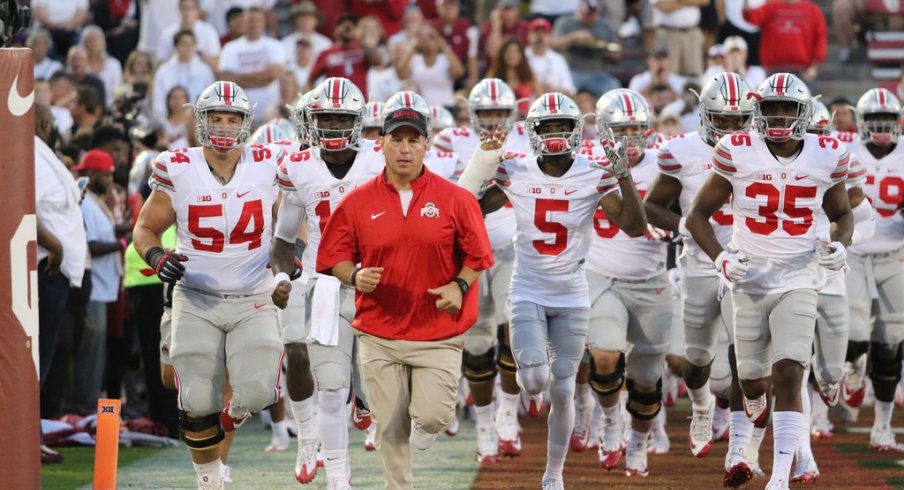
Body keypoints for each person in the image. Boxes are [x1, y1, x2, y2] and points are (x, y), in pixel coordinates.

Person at [458, 92, 646, 489]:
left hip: (573, 293)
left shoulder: (594, 173)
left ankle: (553, 476)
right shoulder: (517, 171)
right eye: (548, 126)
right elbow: (465, 207)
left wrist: (624, 176)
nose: (556, 133)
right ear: (533, 132)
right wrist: (483, 164)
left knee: (562, 388)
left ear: (577, 132)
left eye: (563, 126)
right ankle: (528, 399)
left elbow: (634, 226)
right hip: (527, 287)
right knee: (535, 382)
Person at [315, 91, 495, 490]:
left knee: (432, 417)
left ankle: (427, 422)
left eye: (414, 140)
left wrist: (460, 284)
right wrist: (354, 277)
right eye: (397, 139)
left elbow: (479, 255)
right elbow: (334, 256)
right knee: (390, 427)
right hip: (379, 331)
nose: (404, 148)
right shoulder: (358, 201)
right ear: (381, 143)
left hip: (438, 331)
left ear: (427, 145)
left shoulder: (457, 199)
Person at [686, 73, 853, 489]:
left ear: (803, 113)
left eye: (787, 109)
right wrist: (721, 258)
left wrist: (841, 244)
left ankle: (780, 476)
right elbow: (695, 216)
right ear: (756, 112)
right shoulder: (736, 150)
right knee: (752, 380)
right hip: (748, 279)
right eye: (770, 108)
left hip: (799, 276)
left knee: (791, 373)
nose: (778, 117)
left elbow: (843, 214)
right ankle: (755, 403)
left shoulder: (826, 153)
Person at [133, 81, 285, 490]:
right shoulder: (178, 166)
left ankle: (233, 415)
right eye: (215, 117)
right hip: (195, 295)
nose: (222, 126)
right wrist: (157, 257)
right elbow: (146, 228)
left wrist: (292, 252)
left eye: (231, 118)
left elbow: (292, 219)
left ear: (245, 122)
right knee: (194, 399)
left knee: (258, 392)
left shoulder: (269, 163)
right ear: (200, 121)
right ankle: (209, 479)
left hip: (254, 294)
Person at [644, 72, 759, 486]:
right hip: (698, 265)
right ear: (705, 116)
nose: (730, 128)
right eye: (722, 120)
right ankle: (702, 407)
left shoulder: (765, 149)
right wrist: (687, 226)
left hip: (748, 267)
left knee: (745, 357)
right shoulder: (682, 151)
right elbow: (653, 207)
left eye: (738, 120)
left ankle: (738, 448)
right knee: (695, 361)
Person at [271, 77, 380, 488]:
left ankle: (365, 404)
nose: (333, 127)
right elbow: (283, 239)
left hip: (376, 286)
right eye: (326, 119)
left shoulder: (380, 158)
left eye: (341, 119)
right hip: (324, 286)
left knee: (374, 387)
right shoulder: (297, 166)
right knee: (332, 387)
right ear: (312, 121)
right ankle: (337, 476)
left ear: (357, 120)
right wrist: (283, 275)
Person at [432, 79, 529, 461]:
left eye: (498, 113)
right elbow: (444, 196)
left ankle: (508, 414)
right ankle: (485, 424)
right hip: (467, 257)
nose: (491, 120)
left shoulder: (525, 137)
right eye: (485, 113)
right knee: (475, 345)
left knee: (513, 332)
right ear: (472, 114)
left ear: (511, 114)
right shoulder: (450, 141)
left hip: (510, 248)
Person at [582, 89, 671, 477]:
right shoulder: (584, 161)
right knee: (604, 355)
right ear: (603, 131)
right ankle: (609, 418)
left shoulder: (667, 162)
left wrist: (676, 228)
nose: (631, 139)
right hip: (600, 275)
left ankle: (638, 441)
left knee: (647, 378)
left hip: (651, 279)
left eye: (637, 129)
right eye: (622, 130)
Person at [840, 88, 904, 453]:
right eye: (874, 123)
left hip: (895, 253)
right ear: (860, 124)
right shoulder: (844, 148)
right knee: (853, 327)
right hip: (855, 250)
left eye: (888, 123)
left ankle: (882, 426)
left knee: (891, 339)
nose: (881, 130)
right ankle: (851, 363)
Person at [34, 102, 88, 409]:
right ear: (45, 125)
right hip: (47, 266)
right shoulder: (33, 155)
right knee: (40, 355)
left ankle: (34, 432)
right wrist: (54, 245)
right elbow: (23, 206)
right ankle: (29, 436)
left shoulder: (42, 154)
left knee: (49, 354)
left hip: (56, 269)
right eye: (53, 122)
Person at [72, 150, 125, 412]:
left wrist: (126, 230)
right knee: (90, 350)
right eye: (106, 174)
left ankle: (90, 402)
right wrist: (122, 243)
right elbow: (90, 245)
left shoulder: (96, 200)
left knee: (99, 350)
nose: (110, 179)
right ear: (92, 174)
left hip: (104, 286)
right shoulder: (85, 203)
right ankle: (84, 405)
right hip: (92, 285)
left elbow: (106, 233)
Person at [218, 7, 287, 124]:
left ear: (264, 22)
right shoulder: (230, 48)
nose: (254, 24)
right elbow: (226, 78)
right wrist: (263, 78)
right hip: (240, 115)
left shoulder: (275, 45)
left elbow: (274, 73)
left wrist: (240, 79)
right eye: (250, 20)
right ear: (243, 22)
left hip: (270, 115)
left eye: (257, 20)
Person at [741, 0, 826, 82]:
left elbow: (820, 38)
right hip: (773, 71)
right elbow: (751, 17)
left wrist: (814, 67)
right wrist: (746, 6)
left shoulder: (812, 10)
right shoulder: (770, 8)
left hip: (802, 71)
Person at [550, 0, 622, 96]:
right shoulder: (565, 23)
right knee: (564, 90)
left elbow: (617, 56)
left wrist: (601, 48)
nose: (591, 16)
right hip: (571, 70)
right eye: (588, 13)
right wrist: (572, 38)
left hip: (597, 73)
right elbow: (553, 47)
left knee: (613, 88)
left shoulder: (605, 26)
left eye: (594, 12)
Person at [309, 15, 383, 100]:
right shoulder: (326, 54)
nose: (347, 27)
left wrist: (359, 40)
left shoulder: (362, 50)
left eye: (352, 25)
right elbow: (311, 79)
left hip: (358, 102)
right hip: (334, 104)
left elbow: (378, 61)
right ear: (335, 30)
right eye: (342, 24)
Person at [152, 30, 216, 122]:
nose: (188, 48)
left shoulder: (205, 70)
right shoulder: (164, 71)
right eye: (184, 44)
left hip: (197, 122)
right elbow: (159, 101)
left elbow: (210, 99)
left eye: (191, 44)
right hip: (169, 121)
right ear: (176, 47)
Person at [396, 25, 465, 107]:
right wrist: (411, 47)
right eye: (423, 37)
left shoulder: (445, 60)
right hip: (421, 110)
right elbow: (401, 75)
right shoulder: (414, 60)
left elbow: (459, 73)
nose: (427, 40)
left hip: (445, 110)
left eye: (431, 37)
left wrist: (444, 46)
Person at [650, 0, 707, 76]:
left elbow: (704, 1)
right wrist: (691, 3)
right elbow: (665, 6)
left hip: (692, 33)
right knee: (669, 74)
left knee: (694, 75)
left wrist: (676, 2)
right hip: (669, 34)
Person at [157, 0, 222, 67]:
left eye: (192, 8)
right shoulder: (167, 33)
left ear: (198, 10)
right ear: (179, 10)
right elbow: (162, 62)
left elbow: (216, 62)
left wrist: (198, 53)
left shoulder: (209, 32)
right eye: (184, 8)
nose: (188, 12)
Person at [525, 18, 576, 96]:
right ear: (528, 35)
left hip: (552, 103)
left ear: (550, 37)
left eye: (543, 33)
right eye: (536, 32)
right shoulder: (522, 56)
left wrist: (554, 90)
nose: (540, 36)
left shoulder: (558, 59)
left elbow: (570, 90)